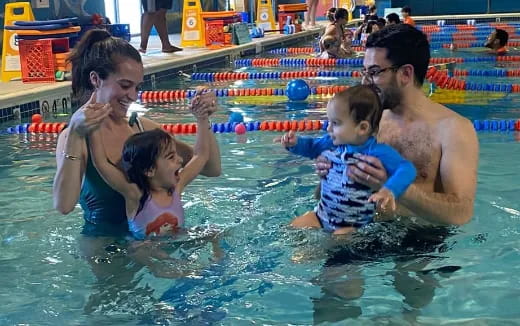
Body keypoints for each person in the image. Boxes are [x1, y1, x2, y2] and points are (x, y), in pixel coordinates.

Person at [53, 29, 221, 237]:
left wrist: (204, 116)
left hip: (159, 235)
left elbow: (211, 168)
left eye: (137, 87)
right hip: (107, 248)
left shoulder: (143, 129)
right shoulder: (75, 137)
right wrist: (76, 135)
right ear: (96, 79)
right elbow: (63, 206)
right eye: (125, 85)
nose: (132, 96)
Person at [315, 23, 479, 227]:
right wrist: (327, 174)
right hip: (360, 227)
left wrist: (393, 186)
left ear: (406, 74)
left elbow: (461, 213)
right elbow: (324, 196)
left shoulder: (452, 129)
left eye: (374, 72)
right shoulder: (368, 121)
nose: (365, 83)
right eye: (364, 72)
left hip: (420, 241)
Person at [275, 85, 416, 235]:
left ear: (362, 128)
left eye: (335, 123)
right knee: (291, 228)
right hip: (321, 215)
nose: (328, 129)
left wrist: (389, 190)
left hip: (351, 225)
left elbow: (406, 169)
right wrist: (295, 144)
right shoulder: (331, 142)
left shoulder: (376, 152)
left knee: (336, 240)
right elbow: (311, 146)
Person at [88, 89, 214, 240]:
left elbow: (201, 155)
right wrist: (93, 125)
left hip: (176, 239)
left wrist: (202, 118)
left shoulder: (176, 188)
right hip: (145, 251)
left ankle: (217, 260)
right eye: (171, 157)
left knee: (213, 233)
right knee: (142, 249)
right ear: (149, 170)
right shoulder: (135, 195)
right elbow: (101, 163)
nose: (180, 160)